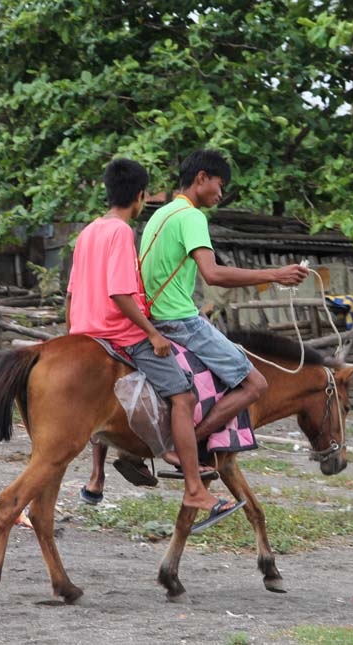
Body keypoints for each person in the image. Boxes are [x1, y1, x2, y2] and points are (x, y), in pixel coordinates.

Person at [86, 149, 309, 492]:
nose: (220, 195)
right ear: (201, 178)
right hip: (179, 320)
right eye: (219, 185)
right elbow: (212, 273)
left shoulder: (159, 215)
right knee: (255, 384)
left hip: (152, 316)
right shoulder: (192, 217)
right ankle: (188, 444)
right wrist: (275, 274)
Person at [67, 158, 242, 527]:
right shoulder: (120, 232)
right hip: (121, 332)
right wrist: (152, 333)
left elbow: (71, 293)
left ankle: (96, 477)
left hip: (85, 329)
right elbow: (120, 293)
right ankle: (194, 487)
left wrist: (75, 333)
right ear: (141, 196)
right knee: (183, 396)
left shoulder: (88, 231)